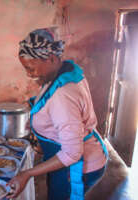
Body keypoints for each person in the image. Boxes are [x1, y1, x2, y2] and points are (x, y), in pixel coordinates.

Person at [7, 28, 108, 200]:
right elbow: (48, 98)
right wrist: (33, 109)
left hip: (77, 166)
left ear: (52, 59)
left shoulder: (63, 95)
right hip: (77, 155)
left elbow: (71, 153)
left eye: (31, 68)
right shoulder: (64, 72)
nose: (28, 73)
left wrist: (27, 174)